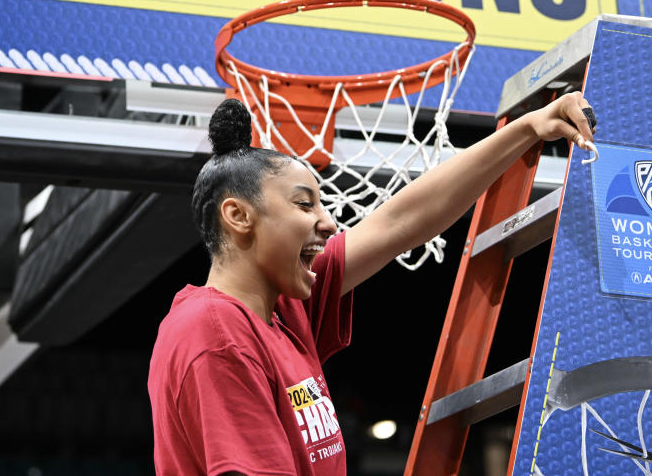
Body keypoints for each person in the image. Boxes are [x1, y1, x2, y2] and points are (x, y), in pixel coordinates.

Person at [148, 91, 597, 475]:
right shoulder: (215, 333)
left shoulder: (281, 310)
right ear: (239, 216)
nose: (327, 221)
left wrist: (528, 129)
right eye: (305, 205)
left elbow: (400, 222)